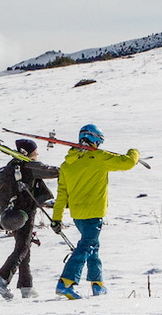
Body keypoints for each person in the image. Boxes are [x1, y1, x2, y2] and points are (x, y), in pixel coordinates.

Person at [50, 124, 141, 299]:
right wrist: (134, 151)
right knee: (86, 246)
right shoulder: (99, 157)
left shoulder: (67, 164)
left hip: (77, 215)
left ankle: (97, 284)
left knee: (92, 246)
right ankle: (65, 283)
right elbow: (128, 163)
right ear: (95, 140)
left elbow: (61, 195)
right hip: (94, 213)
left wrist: (57, 218)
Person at [0, 139, 57, 300]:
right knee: (23, 247)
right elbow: (52, 171)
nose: (37, 154)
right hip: (25, 212)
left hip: (11, 214)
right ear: (29, 153)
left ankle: (26, 286)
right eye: (35, 152)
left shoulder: (11, 167)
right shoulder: (29, 166)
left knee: (23, 246)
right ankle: (1, 278)